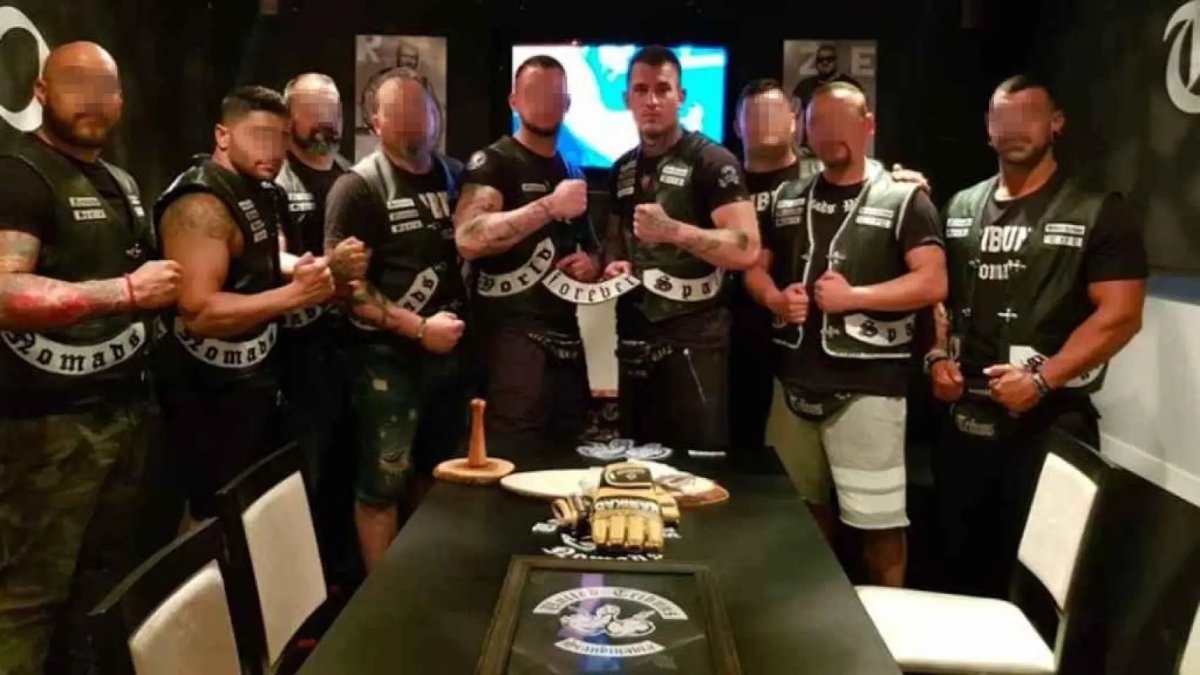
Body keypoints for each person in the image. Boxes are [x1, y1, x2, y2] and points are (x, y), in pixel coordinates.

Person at [0, 42, 181, 673]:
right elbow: (3, 292)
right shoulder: (20, 175)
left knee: (100, 588)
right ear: (41, 92)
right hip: (44, 425)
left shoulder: (121, 182)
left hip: (121, 415)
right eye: (76, 84)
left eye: (105, 88)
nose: (93, 101)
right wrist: (125, 292)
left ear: (122, 101)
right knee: (27, 598)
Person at [929, 75, 1147, 598]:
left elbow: (1121, 315)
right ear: (987, 128)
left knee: (1038, 586)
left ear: (1056, 124)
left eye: (1028, 115)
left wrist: (1042, 379)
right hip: (964, 422)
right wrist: (936, 357)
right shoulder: (959, 207)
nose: (1014, 128)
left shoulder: (1098, 211)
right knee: (959, 573)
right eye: (1002, 117)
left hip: (1051, 422)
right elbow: (937, 299)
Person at [743, 81, 946, 587]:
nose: (829, 132)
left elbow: (933, 281)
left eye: (841, 120)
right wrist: (774, 298)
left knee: (879, 525)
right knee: (799, 517)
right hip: (792, 384)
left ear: (867, 124)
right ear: (805, 129)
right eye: (819, 122)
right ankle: (810, 615)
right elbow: (754, 267)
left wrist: (856, 297)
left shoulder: (904, 198)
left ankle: (887, 623)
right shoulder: (788, 198)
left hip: (868, 387)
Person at [156, 86, 347, 526]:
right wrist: (295, 296)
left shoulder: (262, 190)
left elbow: (265, 261)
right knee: (211, 523)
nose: (274, 150)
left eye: (281, 137)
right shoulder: (201, 204)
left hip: (255, 382)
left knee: (261, 517)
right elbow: (199, 312)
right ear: (222, 136)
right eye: (260, 135)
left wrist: (319, 269)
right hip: (204, 393)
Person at [325, 68, 473, 572]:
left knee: (439, 477)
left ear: (436, 114)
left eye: (422, 108)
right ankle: (381, 600)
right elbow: (348, 290)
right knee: (382, 486)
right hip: (387, 363)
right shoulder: (357, 188)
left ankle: (424, 582)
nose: (415, 119)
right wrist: (418, 329)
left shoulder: (455, 176)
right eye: (401, 110)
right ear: (376, 121)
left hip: (450, 360)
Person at [604, 46, 760, 454]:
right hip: (634, 334)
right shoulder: (622, 168)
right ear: (627, 99)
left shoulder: (713, 161)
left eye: (662, 89)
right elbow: (616, 244)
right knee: (634, 464)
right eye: (641, 90)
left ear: (681, 97)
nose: (651, 101)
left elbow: (746, 247)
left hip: (696, 338)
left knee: (697, 468)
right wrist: (613, 265)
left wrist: (674, 231)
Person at [453, 55, 602, 440]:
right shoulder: (493, 162)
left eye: (555, 93)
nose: (546, 101)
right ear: (513, 101)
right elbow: (468, 238)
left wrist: (590, 265)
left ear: (567, 103)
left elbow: (592, 250)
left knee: (569, 453)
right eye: (534, 92)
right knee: (512, 456)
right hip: (508, 339)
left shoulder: (571, 171)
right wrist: (548, 206)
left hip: (565, 340)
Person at [274, 72, 363, 582]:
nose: (326, 123)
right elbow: (272, 256)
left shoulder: (352, 177)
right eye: (313, 112)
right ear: (289, 119)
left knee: (349, 470)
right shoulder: (275, 178)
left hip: (352, 341)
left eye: (334, 113)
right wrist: (328, 268)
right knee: (302, 472)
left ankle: (342, 581)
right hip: (297, 349)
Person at [730, 79, 824, 458]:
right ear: (737, 126)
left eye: (773, 111)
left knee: (800, 458)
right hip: (732, 331)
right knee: (737, 447)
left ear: (793, 119)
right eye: (754, 114)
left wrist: (900, 182)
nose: (765, 121)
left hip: (807, 333)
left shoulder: (821, 176)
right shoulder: (720, 180)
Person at [791, 44, 863, 118]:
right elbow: (794, 114)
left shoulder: (850, 85)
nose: (825, 62)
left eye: (829, 59)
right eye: (820, 60)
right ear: (816, 62)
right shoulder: (804, 86)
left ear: (835, 61)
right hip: (814, 125)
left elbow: (861, 114)